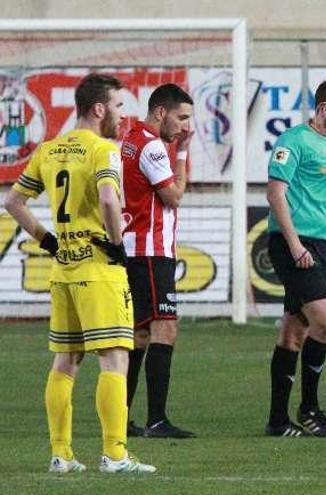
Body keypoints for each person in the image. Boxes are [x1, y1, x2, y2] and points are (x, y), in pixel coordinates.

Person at [4, 73, 156, 473]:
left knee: (65, 362)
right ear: (99, 109)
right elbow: (108, 198)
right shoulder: (103, 150)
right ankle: (115, 454)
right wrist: (118, 243)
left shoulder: (49, 150)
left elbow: (14, 202)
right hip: (98, 266)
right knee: (114, 358)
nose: (124, 116)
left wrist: (47, 240)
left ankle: (61, 454)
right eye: (120, 107)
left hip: (63, 267)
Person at [264, 77, 326, 438]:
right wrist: (294, 246)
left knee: (293, 332)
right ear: (323, 108)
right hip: (293, 243)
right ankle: (310, 409)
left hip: (319, 245)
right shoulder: (293, 141)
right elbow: (275, 194)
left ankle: (276, 420)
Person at [119, 83, 195, 439]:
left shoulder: (133, 137)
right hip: (151, 249)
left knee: (140, 334)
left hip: (136, 248)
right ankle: (157, 420)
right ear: (160, 112)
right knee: (164, 327)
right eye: (181, 118)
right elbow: (174, 196)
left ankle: (121, 417)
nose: (184, 126)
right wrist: (181, 154)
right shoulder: (152, 146)